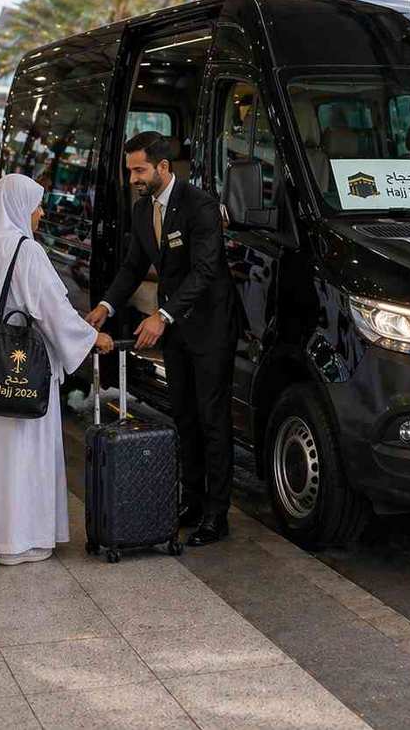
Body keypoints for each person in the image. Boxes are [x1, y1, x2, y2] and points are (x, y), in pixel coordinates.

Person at [0, 174, 112, 565]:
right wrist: (91, 338)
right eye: (36, 206)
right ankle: (19, 542)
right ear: (20, 207)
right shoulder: (26, 251)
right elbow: (52, 309)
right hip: (20, 370)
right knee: (20, 455)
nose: (40, 214)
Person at [86, 131, 238, 546]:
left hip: (209, 326)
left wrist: (163, 315)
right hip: (175, 329)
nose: (133, 178)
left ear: (163, 167)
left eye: (140, 170)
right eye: (130, 170)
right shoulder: (143, 210)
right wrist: (106, 306)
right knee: (184, 416)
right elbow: (132, 267)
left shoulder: (199, 205)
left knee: (212, 419)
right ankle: (192, 501)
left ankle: (217, 514)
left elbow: (205, 271)